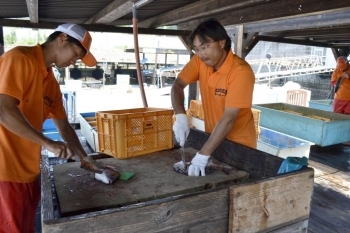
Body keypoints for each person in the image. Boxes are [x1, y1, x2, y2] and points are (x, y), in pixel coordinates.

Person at [0, 23, 97, 233]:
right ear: (62, 38)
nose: (75, 61)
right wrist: (48, 143)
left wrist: (86, 160)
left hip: (29, 170)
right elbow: (3, 110)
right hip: (4, 170)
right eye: (76, 53)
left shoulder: (50, 81)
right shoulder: (19, 58)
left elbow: (64, 126)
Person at [171, 18, 256, 177]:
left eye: (205, 47)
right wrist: (180, 116)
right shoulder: (199, 61)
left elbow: (229, 117)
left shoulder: (241, 72)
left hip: (240, 147)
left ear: (222, 43)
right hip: (214, 141)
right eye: (197, 49)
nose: (201, 54)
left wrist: (202, 155)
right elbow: (177, 85)